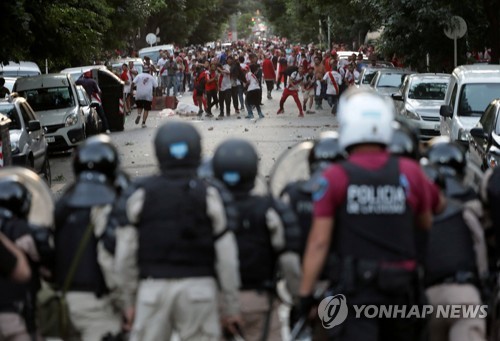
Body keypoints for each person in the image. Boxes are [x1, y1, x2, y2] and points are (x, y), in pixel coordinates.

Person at [295, 88, 436, 341]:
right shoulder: (410, 172)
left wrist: (305, 296)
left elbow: (319, 242)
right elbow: (426, 221)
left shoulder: (335, 177)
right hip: (402, 289)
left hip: (357, 293)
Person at [113, 121, 242, 341]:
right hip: (199, 292)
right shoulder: (209, 194)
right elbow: (227, 258)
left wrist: (128, 302)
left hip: (152, 291)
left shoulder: (140, 195)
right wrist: (230, 307)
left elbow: (124, 256)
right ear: (197, 150)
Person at [212, 138, 302, 341]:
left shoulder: (207, 210)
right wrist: (299, 298)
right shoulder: (269, 210)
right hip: (260, 303)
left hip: (217, 304)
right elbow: (289, 261)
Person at [52, 135, 124, 341]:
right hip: (98, 305)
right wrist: (126, 303)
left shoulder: (64, 203)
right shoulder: (108, 206)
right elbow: (109, 260)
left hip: (63, 301)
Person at [422, 145, 488, 341]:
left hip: (428, 296)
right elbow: (480, 247)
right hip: (465, 294)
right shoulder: (469, 206)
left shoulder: (414, 215)